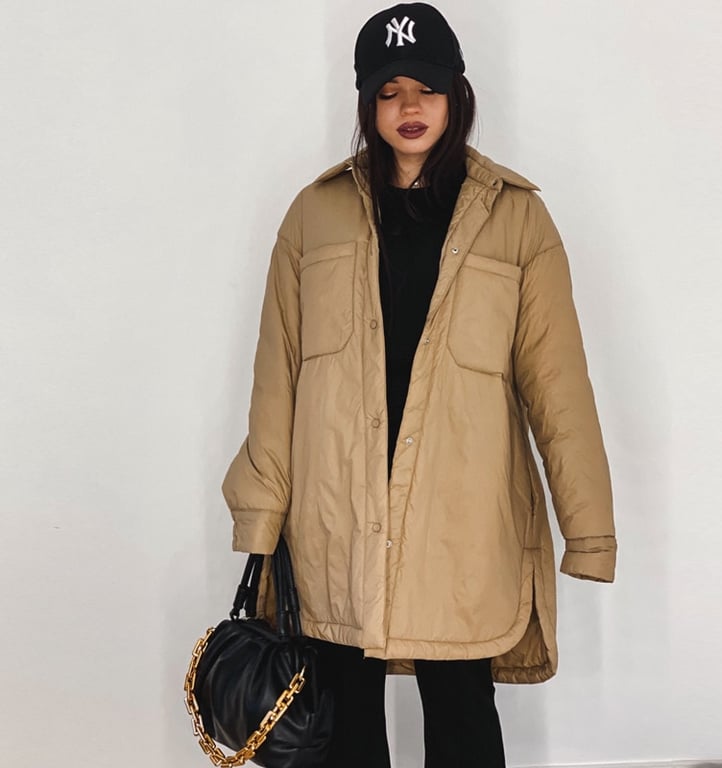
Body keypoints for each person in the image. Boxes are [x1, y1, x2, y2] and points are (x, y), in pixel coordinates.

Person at [222, 3, 617, 766]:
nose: (409, 106)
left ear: (457, 95)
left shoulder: (518, 221)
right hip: (335, 520)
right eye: (389, 90)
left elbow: (559, 386)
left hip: (461, 523)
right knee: (341, 727)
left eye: (427, 88)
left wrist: (590, 530)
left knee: (463, 715)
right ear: (367, 103)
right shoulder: (312, 216)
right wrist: (262, 520)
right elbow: (277, 380)